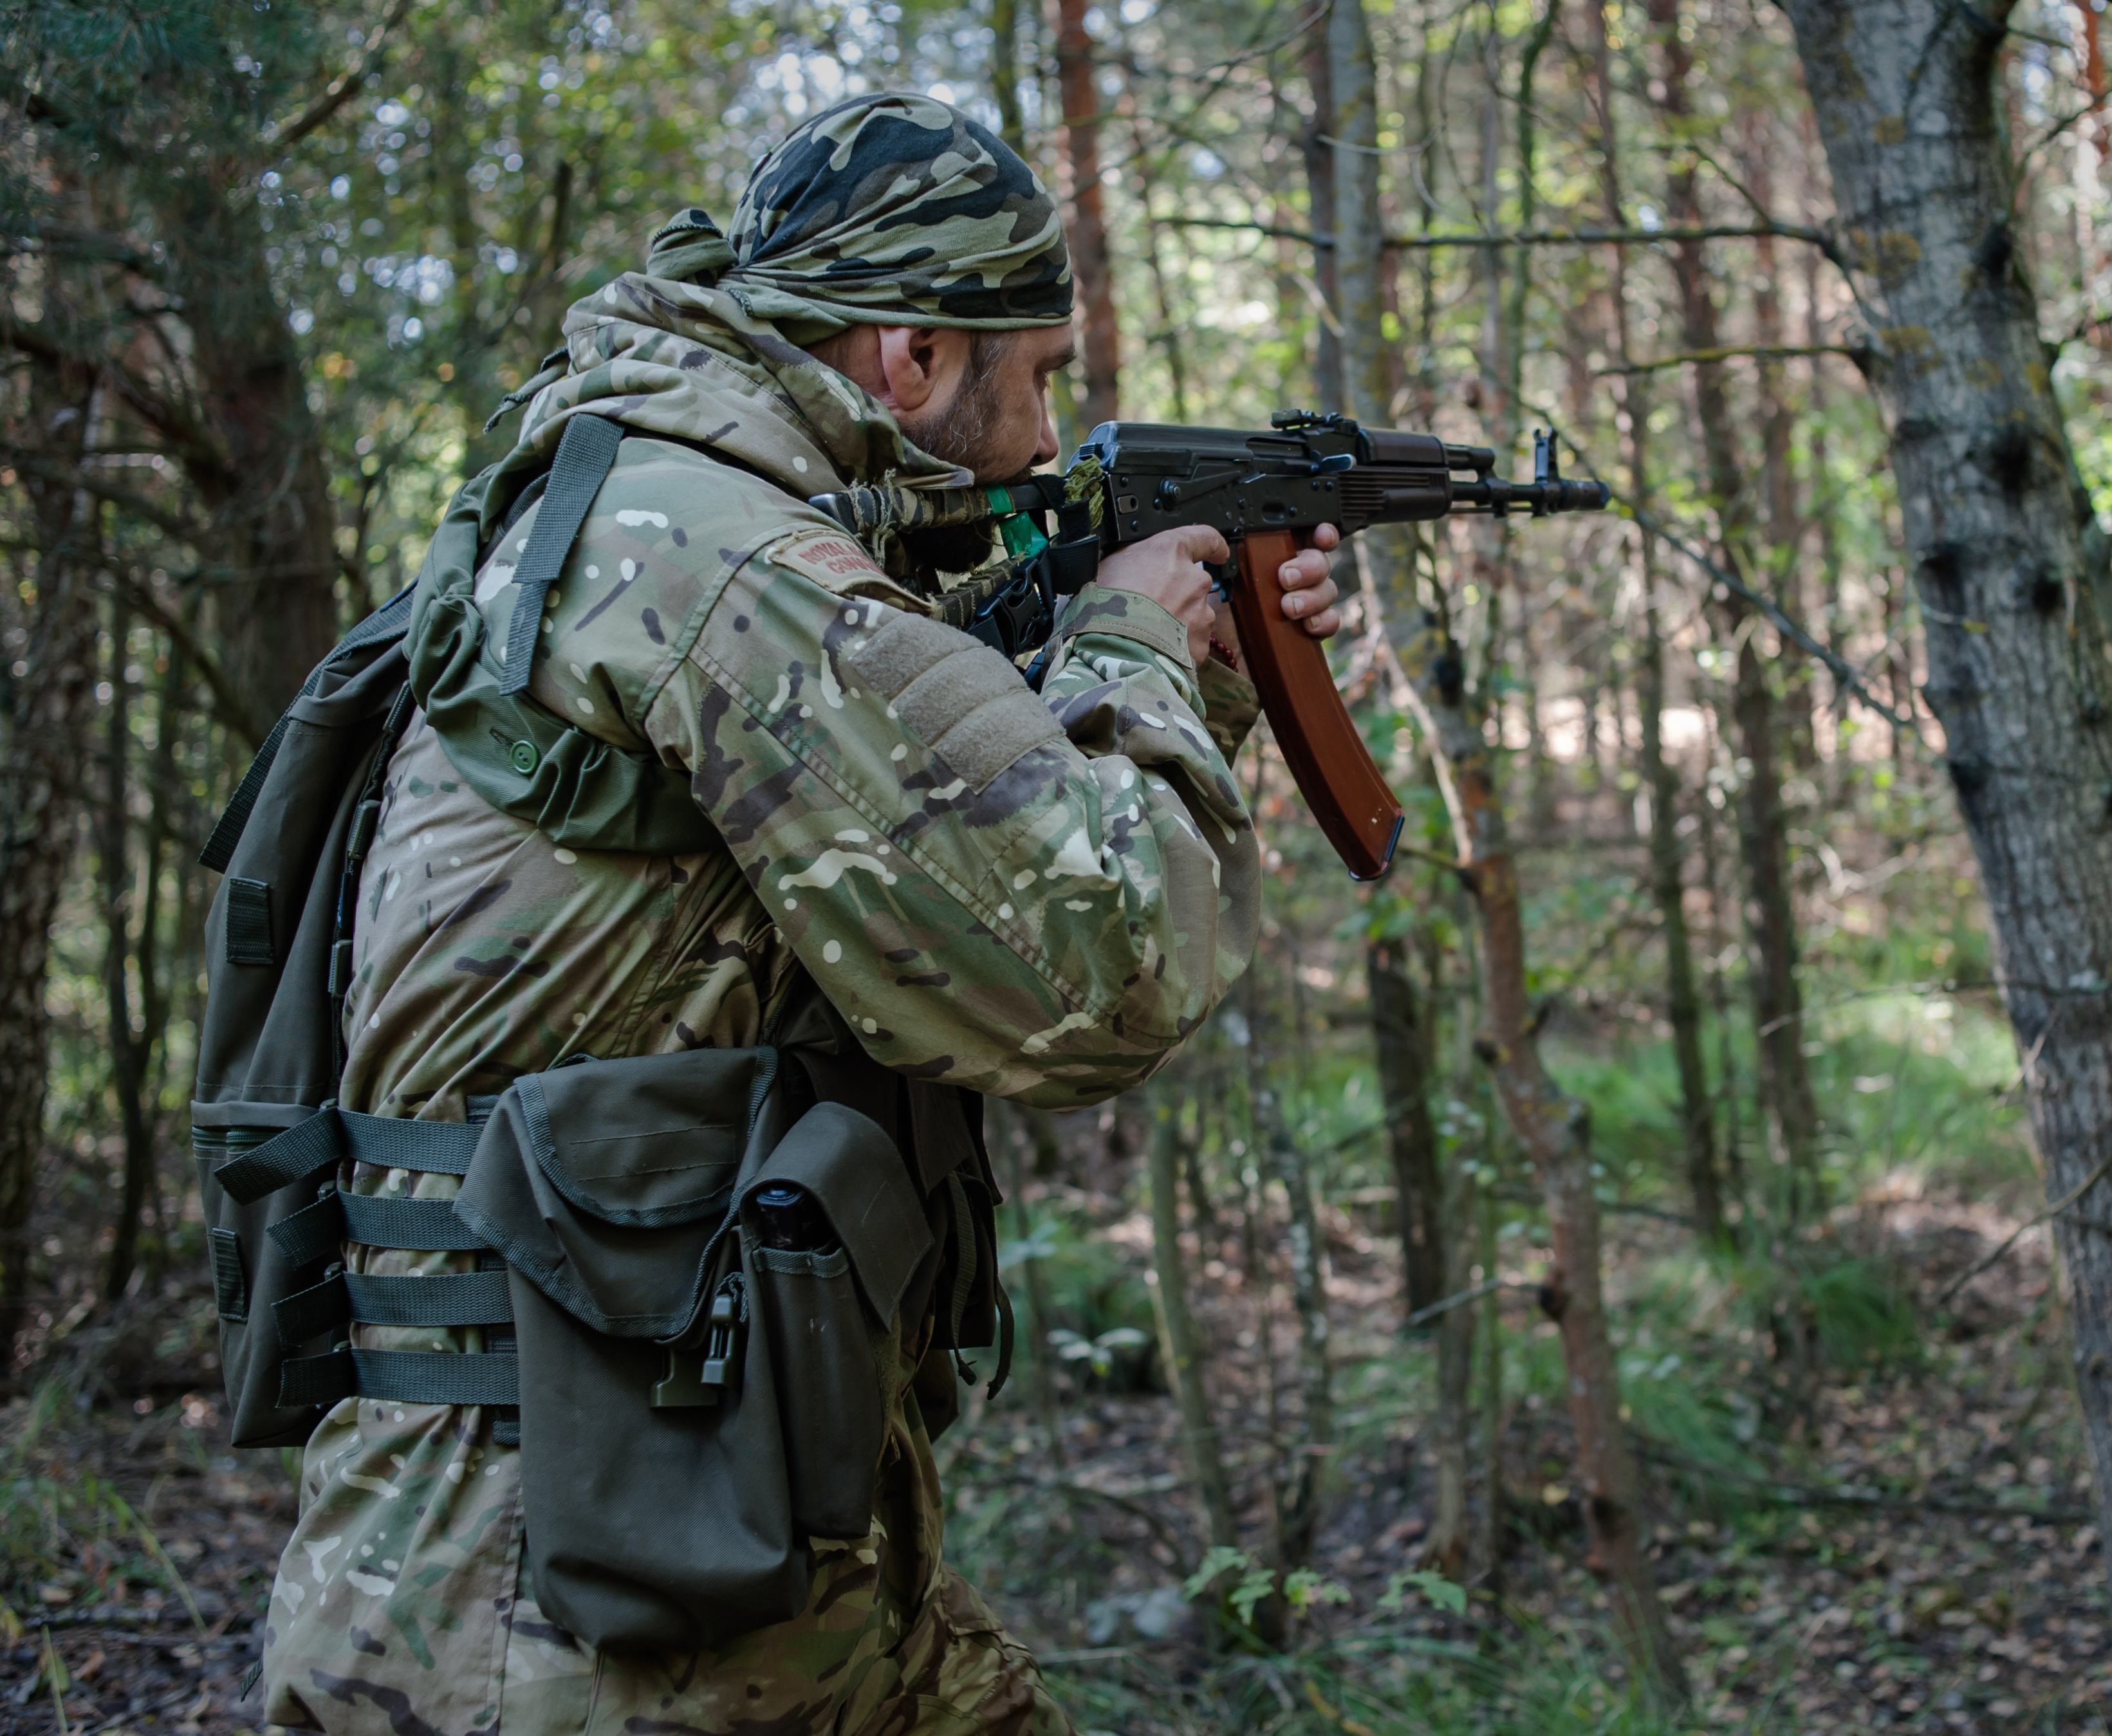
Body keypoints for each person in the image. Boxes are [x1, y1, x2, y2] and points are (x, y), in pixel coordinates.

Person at [250, 91, 1337, 1736]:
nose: (1052, 441)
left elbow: (921, 837)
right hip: (567, 1606)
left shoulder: (651, 498)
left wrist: (1210, 678)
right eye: (1036, 373)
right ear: (905, 356)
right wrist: (1130, 654)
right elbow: (1092, 974)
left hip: (671, 1514)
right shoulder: (718, 557)